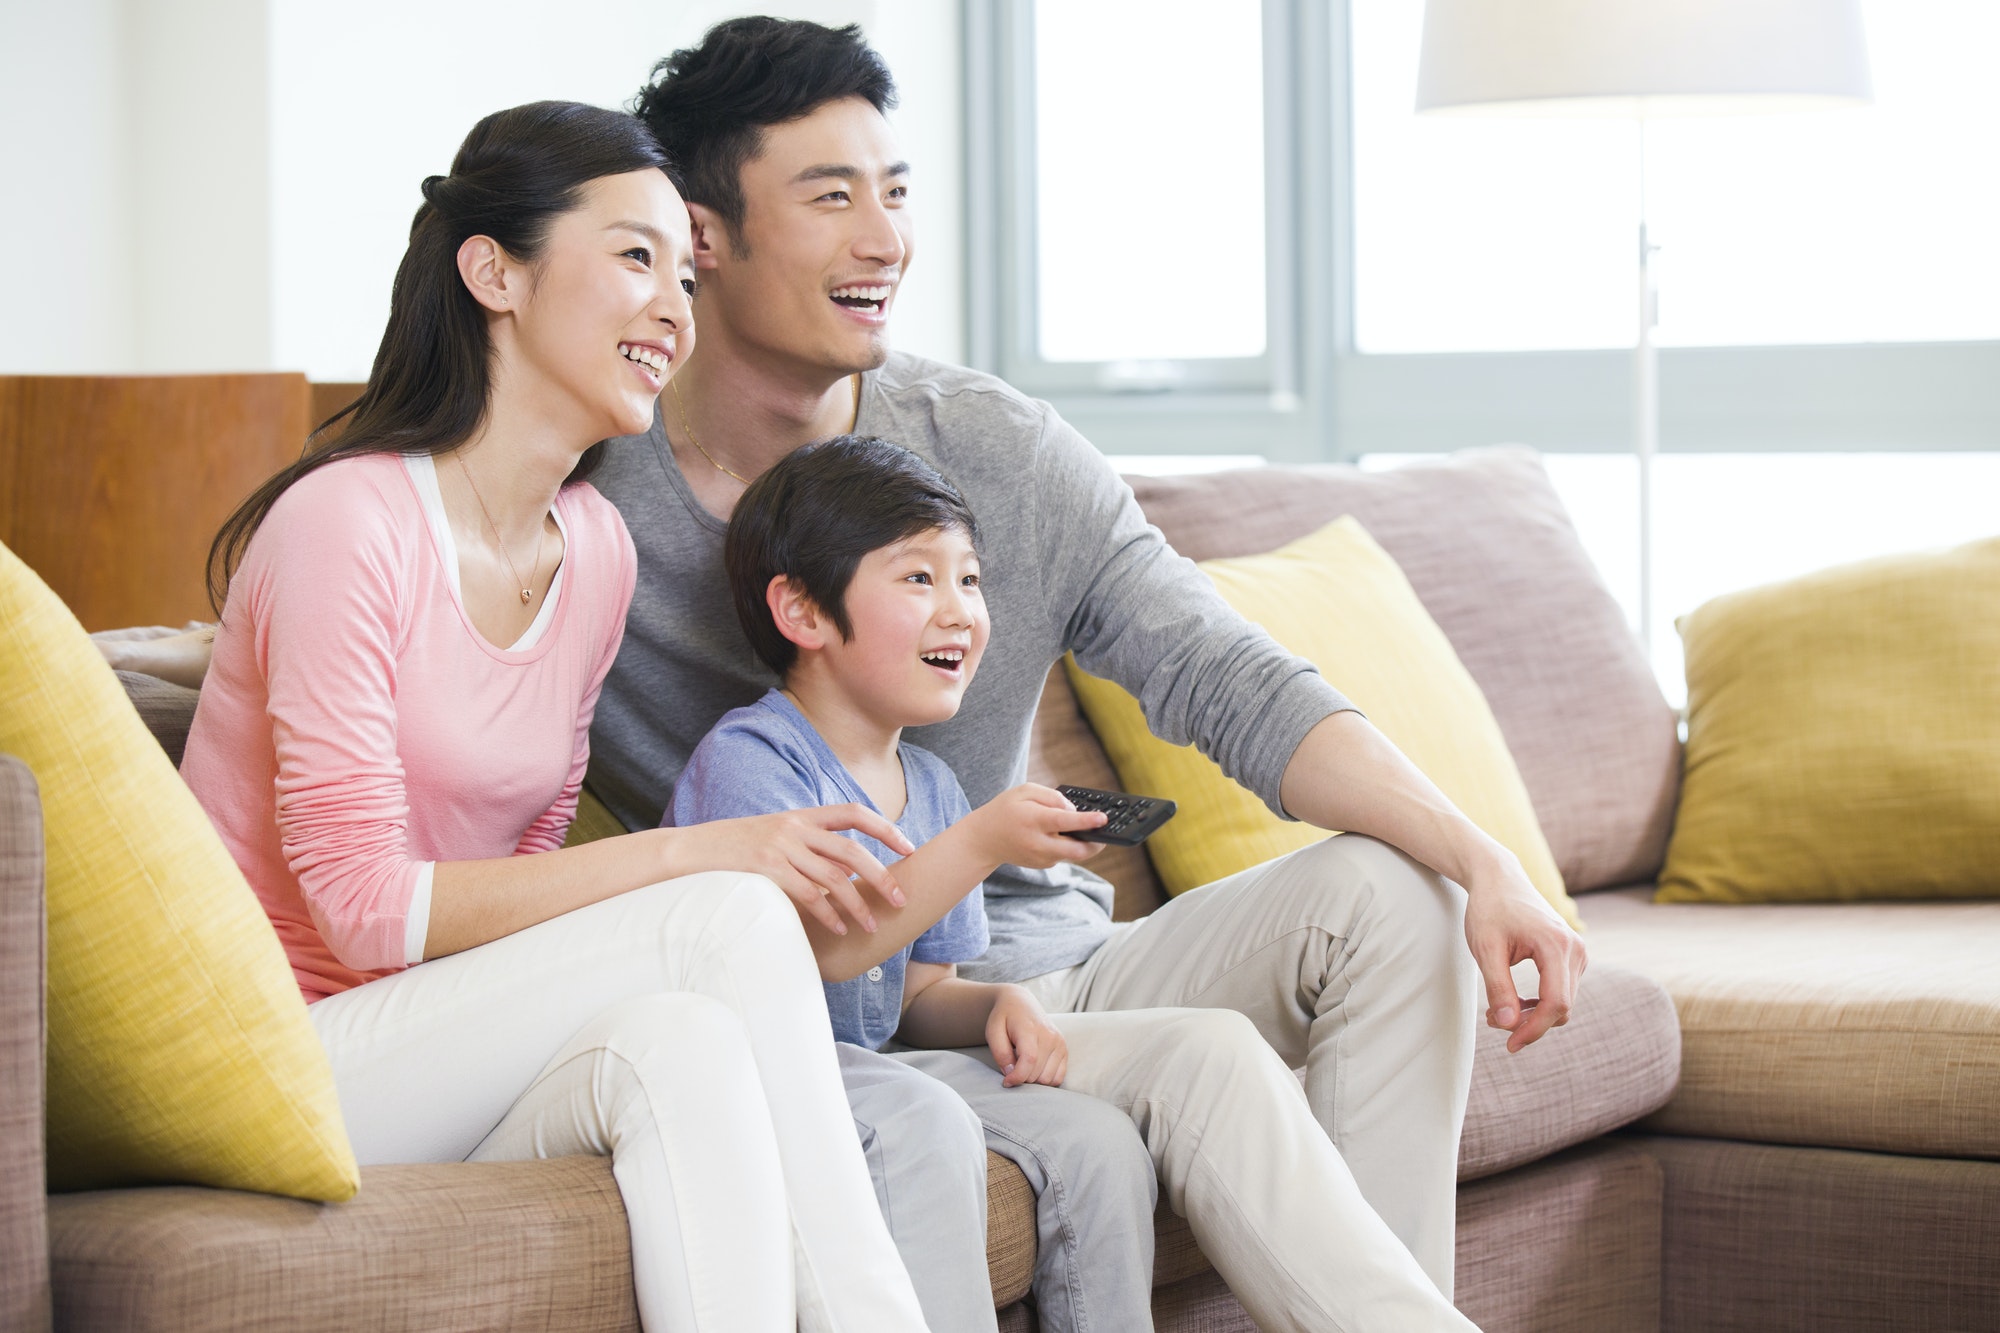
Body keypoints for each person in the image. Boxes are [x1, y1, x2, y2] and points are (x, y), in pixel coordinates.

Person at [582, 14, 1586, 1318]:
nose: (885, 238)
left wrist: (1481, 857)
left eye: (895, 192)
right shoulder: (586, 503)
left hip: (1053, 968)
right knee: (1210, 1061)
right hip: (854, 1013)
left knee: (1399, 900)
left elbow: (1233, 680)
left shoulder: (998, 452)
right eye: (830, 198)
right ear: (702, 238)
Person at [178, 100, 929, 1333]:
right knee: (726, 914)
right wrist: (697, 855)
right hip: (280, 1055)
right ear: (495, 272)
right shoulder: (345, 524)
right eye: (635, 256)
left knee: (681, 1042)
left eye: (685, 274)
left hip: (429, 1043)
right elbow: (361, 907)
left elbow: (525, 859)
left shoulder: (594, 547)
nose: (676, 310)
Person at [674, 435, 1161, 1332]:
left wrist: (990, 1005)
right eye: (917, 578)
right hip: (760, 1067)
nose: (960, 611)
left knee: (1099, 1139)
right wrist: (984, 839)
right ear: (804, 612)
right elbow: (827, 949)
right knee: (925, 1119)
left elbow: (913, 992)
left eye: (969, 580)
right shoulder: (752, 762)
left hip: (873, 1062)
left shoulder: (932, 785)